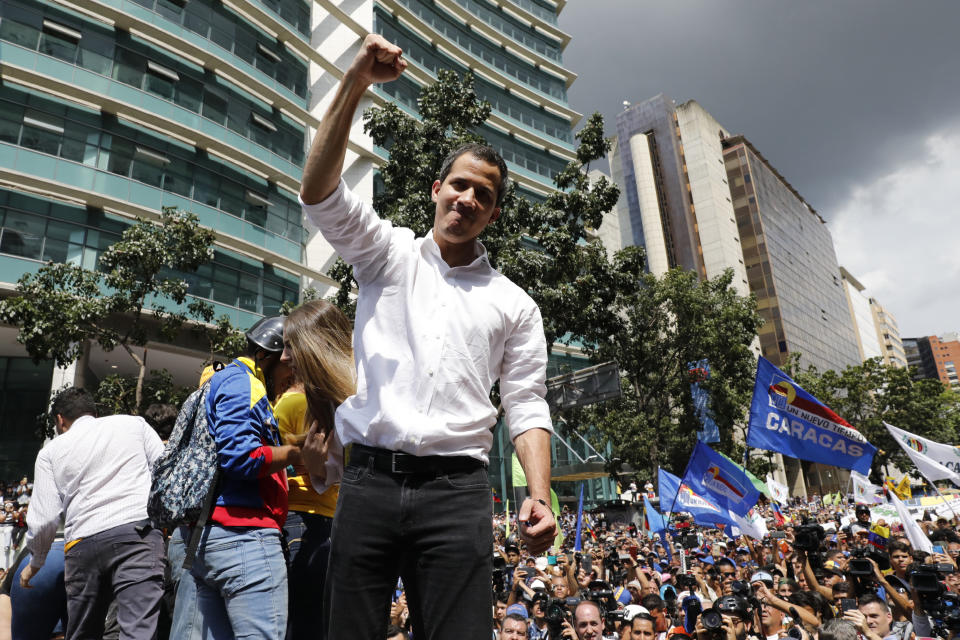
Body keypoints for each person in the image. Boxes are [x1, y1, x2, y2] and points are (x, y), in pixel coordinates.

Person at [298, 33, 556, 640]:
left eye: (483, 196)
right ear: (436, 190)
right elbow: (318, 192)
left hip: (458, 495)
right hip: (368, 485)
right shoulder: (385, 254)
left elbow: (525, 403)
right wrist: (356, 81)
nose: (467, 199)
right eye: (459, 185)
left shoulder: (514, 305)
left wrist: (539, 495)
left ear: (493, 215)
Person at [170, 316, 303, 640]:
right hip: (245, 538)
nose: (291, 378)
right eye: (290, 368)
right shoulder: (245, 383)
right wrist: (295, 454)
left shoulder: (225, 382)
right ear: (266, 356)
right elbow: (241, 458)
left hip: (213, 538)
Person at [21, 387, 165, 639]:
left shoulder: (50, 453)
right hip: (137, 535)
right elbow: (165, 471)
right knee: (138, 631)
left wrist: (36, 562)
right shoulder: (134, 424)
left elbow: (44, 519)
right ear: (95, 412)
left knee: (83, 633)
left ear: (60, 419)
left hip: (81, 545)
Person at [277, 300, 355, 640]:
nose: (284, 358)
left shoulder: (359, 395)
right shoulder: (322, 401)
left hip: (315, 524)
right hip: (333, 524)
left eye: (290, 346)